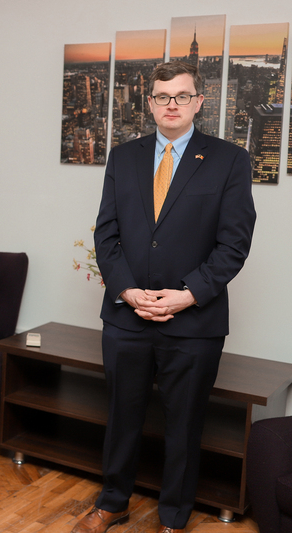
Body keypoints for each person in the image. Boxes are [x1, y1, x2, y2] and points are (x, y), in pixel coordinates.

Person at [72, 61, 257, 533]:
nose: (171, 104)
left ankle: (174, 518)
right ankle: (112, 503)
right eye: (162, 96)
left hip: (194, 323)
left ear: (199, 102)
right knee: (121, 418)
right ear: (150, 102)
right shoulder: (123, 157)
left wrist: (187, 295)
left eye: (182, 96)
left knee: (184, 425)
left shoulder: (230, 159)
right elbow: (106, 234)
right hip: (127, 317)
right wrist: (127, 291)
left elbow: (234, 245)